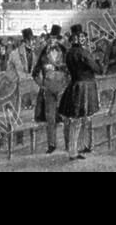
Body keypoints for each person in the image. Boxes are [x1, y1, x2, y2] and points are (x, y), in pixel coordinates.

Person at [58, 25, 102, 161]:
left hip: (75, 85)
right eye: (80, 37)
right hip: (84, 87)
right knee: (79, 120)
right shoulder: (83, 53)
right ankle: (74, 150)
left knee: (78, 119)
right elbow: (97, 69)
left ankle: (77, 148)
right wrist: (98, 61)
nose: (82, 39)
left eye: (83, 37)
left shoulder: (70, 53)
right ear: (74, 38)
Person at [32, 25, 67, 154]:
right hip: (48, 88)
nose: (52, 41)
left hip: (62, 88)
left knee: (65, 116)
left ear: (58, 39)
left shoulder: (64, 51)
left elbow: (70, 69)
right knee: (50, 117)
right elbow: (35, 72)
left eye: (55, 38)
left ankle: (68, 144)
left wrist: (66, 83)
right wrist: (42, 84)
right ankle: (51, 145)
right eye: (50, 38)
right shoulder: (43, 53)